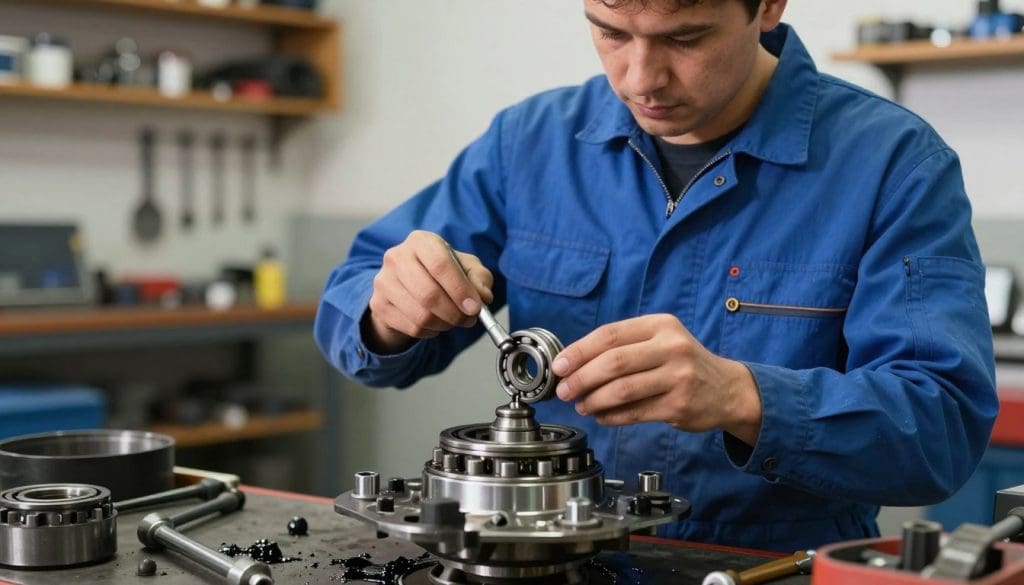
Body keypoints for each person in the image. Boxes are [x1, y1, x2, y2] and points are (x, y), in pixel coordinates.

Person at [315, 0, 998, 552]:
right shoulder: (528, 143)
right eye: (609, 30)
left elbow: (941, 427)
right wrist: (389, 309)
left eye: (686, 37)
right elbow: (352, 301)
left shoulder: (893, 165)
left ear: (768, 7)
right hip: (551, 560)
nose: (640, 77)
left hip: (767, 564)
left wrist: (744, 396)